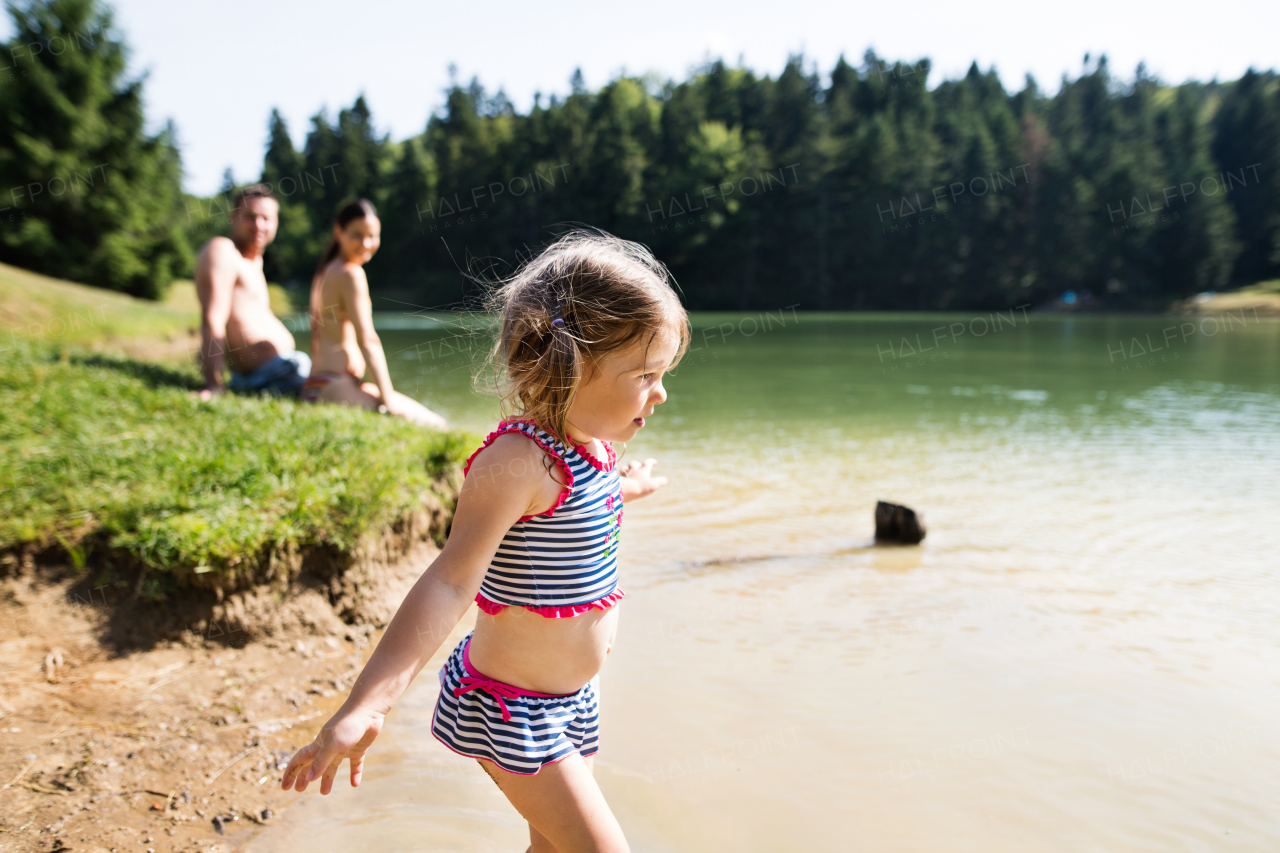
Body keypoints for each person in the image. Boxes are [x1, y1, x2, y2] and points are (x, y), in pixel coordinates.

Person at [281, 231, 689, 852]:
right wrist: (368, 705)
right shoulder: (515, 462)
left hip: (573, 701)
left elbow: (566, 517)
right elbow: (448, 583)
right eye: (645, 374)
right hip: (512, 712)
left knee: (552, 848)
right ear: (570, 365)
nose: (660, 393)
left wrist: (620, 489)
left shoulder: (593, 448)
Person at [303, 199, 447, 428]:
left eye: (373, 236)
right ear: (339, 232)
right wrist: (387, 399)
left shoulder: (324, 271)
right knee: (436, 425)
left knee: (431, 420)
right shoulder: (351, 274)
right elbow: (367, 339)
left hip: (320, 384)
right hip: (334, 384)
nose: (366, 243)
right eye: (357, 235)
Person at [194, 184, 310, 398]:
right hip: (272, 374)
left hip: (283, 368)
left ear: (276, 223)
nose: (259, 225)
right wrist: (213, 384)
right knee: (340, 391)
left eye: (266, 218)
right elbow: (213, 319)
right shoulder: (223, 251)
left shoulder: (254, 263)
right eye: (250, 216)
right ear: (233, 217)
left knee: (344, 384)